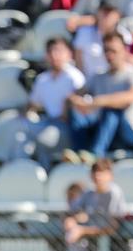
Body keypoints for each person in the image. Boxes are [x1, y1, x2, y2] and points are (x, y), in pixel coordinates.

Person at [66, 32, 133, 161]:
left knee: (112, 110)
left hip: (132, 133)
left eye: (113, 51)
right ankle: (79, 153)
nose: (109, 55)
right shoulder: (98, 76)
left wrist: (97, 102)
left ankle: (95, 155)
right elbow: (76, 95)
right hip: (105, 132)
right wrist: (76, 102)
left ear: (125, 51)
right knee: (77, 114)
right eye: (106, 50)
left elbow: (130, 97)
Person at [14, 36, 85, 167]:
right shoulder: (43, 79)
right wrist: (22, 115)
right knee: (20, 131)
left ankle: (36, 170)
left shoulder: (75, 78)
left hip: (69, 128)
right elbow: (32, 104)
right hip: (49, 123)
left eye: (59, 51)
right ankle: (20, 170)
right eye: (51, 51)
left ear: (69, 54)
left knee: (41, 138)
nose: (54, 55)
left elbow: (81, 108)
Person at [73, 0, 132, 80]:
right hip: (89, 83)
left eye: (110, 13)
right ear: (97, 14)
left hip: (116, 81)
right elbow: (78, 62)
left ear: (118, 16)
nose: (106, 16)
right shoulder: (84, 32)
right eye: (104, 12)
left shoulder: (125, 36)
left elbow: (126, 62)